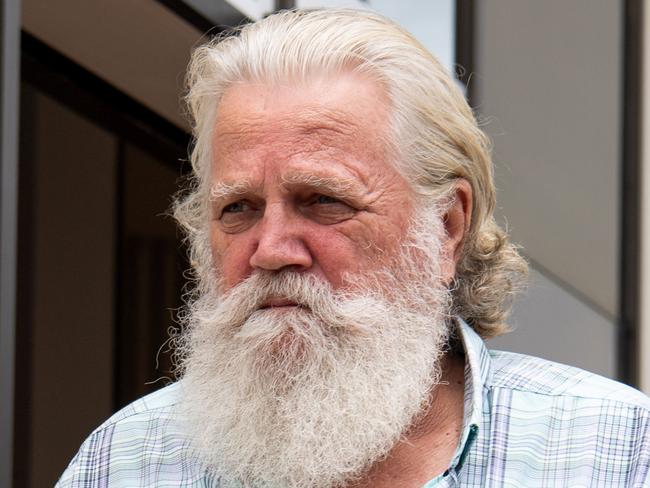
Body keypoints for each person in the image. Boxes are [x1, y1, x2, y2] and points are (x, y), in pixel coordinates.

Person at [57, 8, 649, 488]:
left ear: (446, 226)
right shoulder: (127, 463)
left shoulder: (610, 453)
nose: (270, 249)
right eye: (238, 209)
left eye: (323, 200)